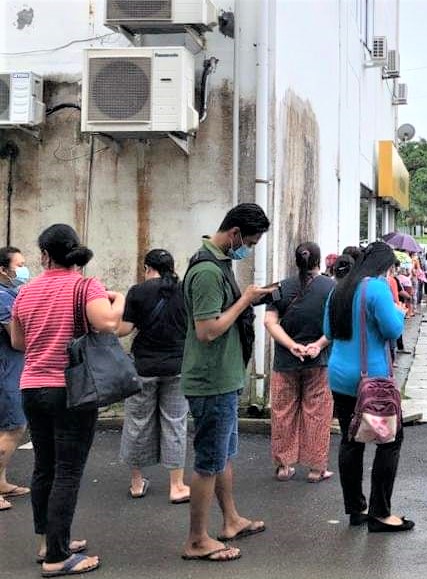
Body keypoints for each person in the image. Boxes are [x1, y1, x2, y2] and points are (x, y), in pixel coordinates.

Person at [10, 224, 124, 575]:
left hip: (32, 387)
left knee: (44, 467)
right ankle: (58, 557)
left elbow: (18, 342)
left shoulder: (25, 291)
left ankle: (49, 543)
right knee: (68, 471)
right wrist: (119, 298)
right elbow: (107, 324)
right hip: (72, 389)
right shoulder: (86, 286)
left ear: (45, 255)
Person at [181, 203, 273, 562]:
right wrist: (245, 300)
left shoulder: (219, 263)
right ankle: (196, 540)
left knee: (222, 455)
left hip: (224, 376)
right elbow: (207, 330)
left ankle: (231, 520)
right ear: (234, 234)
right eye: (248, 242)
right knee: (209, 460)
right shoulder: (207, 271)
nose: (247, 249)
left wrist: (249, 299)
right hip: (212, 379)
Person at [324, 241, 413, 532]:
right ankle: (380, 513)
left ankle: (355, 509)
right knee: (390, 440)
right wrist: (399, 312)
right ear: (384, 267)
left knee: (351, 440)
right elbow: (392, 330)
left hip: (340, 376)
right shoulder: (376, 288)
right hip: (371, 381)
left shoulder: (338, 288)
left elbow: (327, 331)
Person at [117, 249, 190, 504]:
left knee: (137, 422)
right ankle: (177, 486)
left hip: (143, 368)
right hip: (177, 367)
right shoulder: (185, 291)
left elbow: (123, 330)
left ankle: (137, 483)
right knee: (175, 422)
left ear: (147, 268)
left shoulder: (138, 292)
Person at [264, 242, 335, 483]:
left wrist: (291, 345)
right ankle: (316, 469)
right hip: (319, 361)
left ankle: (283, 466)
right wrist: (318, 345)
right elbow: (337, 324)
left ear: (296, 261)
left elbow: (269, 322)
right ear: (318, 260)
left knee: (282, 413)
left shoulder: (280, 287)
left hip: (285, 361)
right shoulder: (331, 287)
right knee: (318, 414)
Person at [0, 246, 30, 513]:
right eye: (19, 265)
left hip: (11, 369)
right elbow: (17, 340)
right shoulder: (2, 297)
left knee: (8, 427)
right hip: (7, 371)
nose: (24, 270)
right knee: (13, 428)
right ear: (3, 269)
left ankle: (2, 482)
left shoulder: (10, 294)